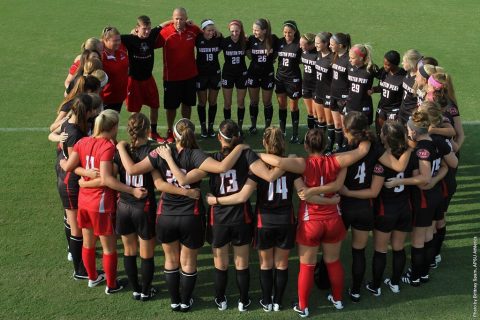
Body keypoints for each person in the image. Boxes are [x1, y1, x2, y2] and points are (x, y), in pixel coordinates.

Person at [117, 118, 249, 312]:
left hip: (166, 214)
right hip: (191, 215)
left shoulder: (161, 151)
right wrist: (239, 148)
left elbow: (133, 170)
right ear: (192, 133)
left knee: (171, 260)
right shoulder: (196, 155)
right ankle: (185, 301)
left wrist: (120, 147)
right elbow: (222, 168)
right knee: (188, 262)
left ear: (173, 132)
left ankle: (174, 300)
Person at [204, 126, 337, 312]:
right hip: (285, 221)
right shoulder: (291, 166)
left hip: (263, 221)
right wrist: (330, 200)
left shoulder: (257, 167)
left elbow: (245, 193)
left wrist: (216, 200)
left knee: (266, 264)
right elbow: (303, 194)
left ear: (265, 142)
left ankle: (266, 301)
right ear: (283, 142)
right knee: (281, 264)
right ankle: (278, 302)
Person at [159, 120, 283, 312]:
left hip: (218, 218)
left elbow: (187, 178)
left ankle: (221, 300)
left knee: (221, 263)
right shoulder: (247, 154)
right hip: (241, 216)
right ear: (237, 138)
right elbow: (268, 175)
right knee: (241, 262)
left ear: (219, 137)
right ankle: (243, 301)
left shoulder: (212, 159)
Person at [259, 128, 372, 317]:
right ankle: (337, 300)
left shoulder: (302, 164)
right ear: (326, 145)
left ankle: (303, 306)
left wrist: (253, 153)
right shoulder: (336, 160)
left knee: (307, 266)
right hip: (333, 219)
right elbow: (361, 151)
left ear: (305, 145)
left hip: (311, 221)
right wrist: (366, 135)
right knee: (333, 262)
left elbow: (277, 161)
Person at [60, 109, 148, 294]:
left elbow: (72, 167)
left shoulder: (83, 141)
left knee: (88, 242)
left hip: (83, 201)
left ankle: (92, 278)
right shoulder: (107, 147)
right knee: (108, 248)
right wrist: (132, 190)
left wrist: (84, 180)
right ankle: (111, 284)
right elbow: (107, 179)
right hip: (100, 203)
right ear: (113, 127)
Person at [341, 121, 414, 296]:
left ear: (387, 138)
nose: (379, 135)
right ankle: (395, 283)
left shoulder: (381, 161)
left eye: (382, 133)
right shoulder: (409, 156)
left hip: (385, 210)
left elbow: (374, 191)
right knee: (398, 247)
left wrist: (348, 192)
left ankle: (375, 286)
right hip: (405, 208)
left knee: (379, 250)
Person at [385, 110, 457, 286]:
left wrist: (398, 182)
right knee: (427, 235)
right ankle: (423, 273)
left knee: (418, 239)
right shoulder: (436, 141)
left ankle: (415, 277)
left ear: (415, 131)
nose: (408, 132)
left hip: (424, 198)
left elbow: (423, 179)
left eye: (409, 129)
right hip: (436, 195)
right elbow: (449, 165)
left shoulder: (422, 149)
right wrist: (435, 180)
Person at [49, 94, 99, 280]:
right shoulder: (74, 132)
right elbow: (71, 163)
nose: (94, 113)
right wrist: (89, 173)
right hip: (69, 182)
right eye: (93, 110)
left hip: (66, 178)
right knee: (76, 226)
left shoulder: (70, 122)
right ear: (86, 111)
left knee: (73, 222)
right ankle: (80, 270)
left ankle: (79, 263)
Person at [156, 7, 202, 143]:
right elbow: (149, 41)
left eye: (181, 19)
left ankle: (185, 129)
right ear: (172, 18)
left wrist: (193, 24)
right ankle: (170, 130)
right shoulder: (165, 32)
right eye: (176, 18)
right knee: (171, 107)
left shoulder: (193, 30)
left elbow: (206, 33)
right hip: (171, 78)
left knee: (187, 105)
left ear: (186, 19)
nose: (178, 21)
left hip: (190, 76)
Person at [121, 15, 163, 141]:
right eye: (144, 29)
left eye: (149, 28)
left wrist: (182, 20)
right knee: (135, 110)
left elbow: (163, 24)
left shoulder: (152, 35)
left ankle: (153, 132)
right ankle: (135, 135)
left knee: (155, 105)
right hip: (133, 80)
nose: (147, 31)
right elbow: (112, 38)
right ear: (137, 28)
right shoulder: (128, 39)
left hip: (148, 79)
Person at [246, 18, 279, 134]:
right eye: (253, 30)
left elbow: (276, 54)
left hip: (267, 75)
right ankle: (253, 125)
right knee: (254, 101)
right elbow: (248, 54)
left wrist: (270, 60)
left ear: (264, 31)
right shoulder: (250, 39)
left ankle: (267, 127)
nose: (254, 32)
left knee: (267, 102)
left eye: (257, 30)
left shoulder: (273, 39)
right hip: (253, 74)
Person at [274, 21, 302, 142]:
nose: (287, 35)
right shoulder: (279, 42)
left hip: (293, 79)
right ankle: (282, 131)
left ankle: (295, 133)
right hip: (280, 78)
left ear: (295, 32)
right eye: (285, 32)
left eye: (290, 32)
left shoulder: (299, 44)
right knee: (282, 105)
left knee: (293, 107)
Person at [196, 19, 222, 138]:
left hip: (215, 75)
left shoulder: (218, 39)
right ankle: (203, 127)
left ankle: (210, 126)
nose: (211, 32)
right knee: (202, 102)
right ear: (203, 30)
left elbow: (224, 40)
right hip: (201, 75)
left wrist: (217, 31)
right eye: (208, 30)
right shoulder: (198, 38)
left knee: (212, 101)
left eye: (213, 30)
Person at [221, 20, 248, 133]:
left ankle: (239, 127)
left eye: (237, 31)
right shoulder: (225, 41)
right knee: (227, 103)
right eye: (232, 31)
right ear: (229, 30)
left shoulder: (245, 41)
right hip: (228, 74)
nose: (235, 33)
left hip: (241, 74)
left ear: (240, 30)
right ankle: (227, 128)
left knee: (241, 102)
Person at [371, 50, 406, 135]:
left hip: (394, 111)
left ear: (395, 64)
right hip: (382, 108)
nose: (385, 66)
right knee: (380, 133)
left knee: (391, 135)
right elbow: (382, 87)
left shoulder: (403, 76)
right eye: (384, 63)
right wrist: (373, 90)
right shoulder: (384, 71)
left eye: (388, 65)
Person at [328, 33, 351, 152]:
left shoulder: (349, 59)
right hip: (333, 95)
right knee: (337, 124)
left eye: (332, 44)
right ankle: (338, 146)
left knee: (344, 126)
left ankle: (346, 148)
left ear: (341, 45)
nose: (330, 46)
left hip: (344, 97)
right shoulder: (334, 55)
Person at [346, 44, 376, 125]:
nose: (349, 60)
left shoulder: (371, 69)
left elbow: (386, 79)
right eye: (349, 57)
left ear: (361, 58)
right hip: (350, 105)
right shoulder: (349, 66)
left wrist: (375, 89)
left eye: (352, 58)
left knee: (364, 131)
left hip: (364, 107)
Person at [100, 26, 129, 112]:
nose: (118, 43)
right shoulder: (101, 57)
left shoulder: (122, 52)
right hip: (105, 99)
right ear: (105, 40)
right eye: (115, 41)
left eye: (119, 40)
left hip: (119, 98)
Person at [313, 32, 333, 135]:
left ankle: (330, 146)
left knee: (330, 122)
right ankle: (320, 142)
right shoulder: (318, 54)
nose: (315, 45)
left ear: (326, 44)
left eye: (318, 43)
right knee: (320, 119)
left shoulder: (333, 58)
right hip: (318, 91)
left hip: (328, 94)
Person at [298, 33, 317, 141]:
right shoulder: (304, 52)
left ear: (311, 45)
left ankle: (317, 136)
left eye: (303, 44)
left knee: (316, 113)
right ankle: (310, 136)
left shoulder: (318, 54)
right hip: (306, 85)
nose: (300, 46)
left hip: (316, 87)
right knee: (310, 112)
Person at [397, 49, 423, 124]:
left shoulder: (419, 80)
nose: (402, 63)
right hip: (402, 112)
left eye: (404, 61)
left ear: (411, 63)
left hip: (412, 115)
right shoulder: (407, 73)